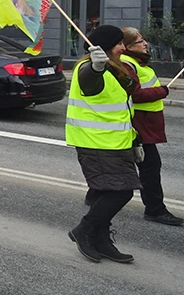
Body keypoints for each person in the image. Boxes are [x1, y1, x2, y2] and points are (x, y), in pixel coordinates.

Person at [66, 25, 140, 263]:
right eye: (119, 43)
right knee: (121, 192)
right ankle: (84, 230)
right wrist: (96, 67)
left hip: (114, 143)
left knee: (107, 192)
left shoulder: (112, 69)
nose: (123, 47)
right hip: (96, 144)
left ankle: (101, 240)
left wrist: (134, 140)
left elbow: (121, 109)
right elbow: (89, 81)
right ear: (106, 46)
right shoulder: (88, 68)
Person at [119, 28, 182, 226]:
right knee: (150, 167)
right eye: (140, 41)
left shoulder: (137, 62)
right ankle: (155, 209)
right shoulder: (127, 64)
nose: (145, 44)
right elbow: (135, 94)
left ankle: (94, 195)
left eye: (143, 40)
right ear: (128, 46)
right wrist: (161, 92)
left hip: (144, 122)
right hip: (138, 124)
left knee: (122, 163)